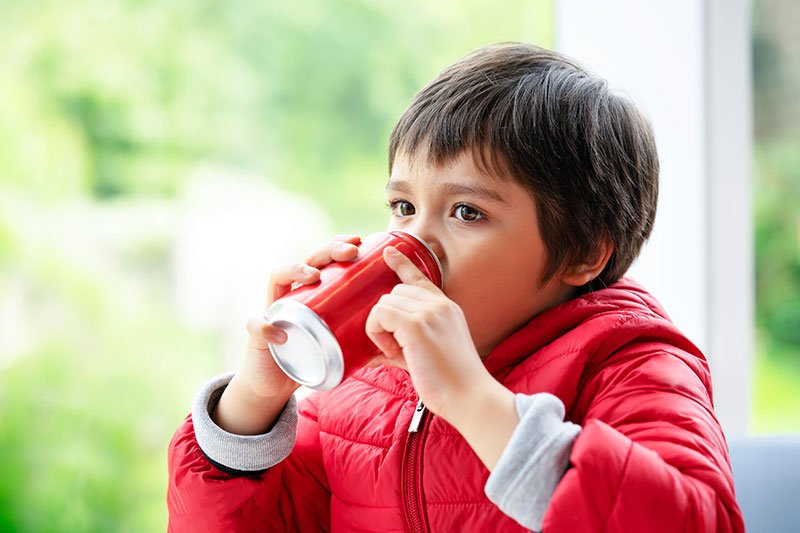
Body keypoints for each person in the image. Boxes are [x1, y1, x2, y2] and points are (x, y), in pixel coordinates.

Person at [167, 43, 744, 532]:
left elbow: (689, 517)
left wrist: (471, 398)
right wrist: (254, 401)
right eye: (403, 206)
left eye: (466, 211)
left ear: (583, 251)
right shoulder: (367, 385)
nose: (407, 245)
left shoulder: (630, 363)